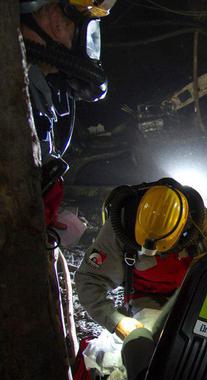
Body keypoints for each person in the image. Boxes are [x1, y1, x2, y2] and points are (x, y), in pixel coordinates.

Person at [75, 178, 207, 340]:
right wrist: (116, 320)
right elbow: (89, 280)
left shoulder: (201, 223)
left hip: (193, 296)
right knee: (151, 343)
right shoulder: (119, 226)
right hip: (146, 298)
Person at [20, 0, 113, 229]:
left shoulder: (34, 84)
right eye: (85, 25)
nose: (87, 41)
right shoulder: (14, 83)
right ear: (54, 15)